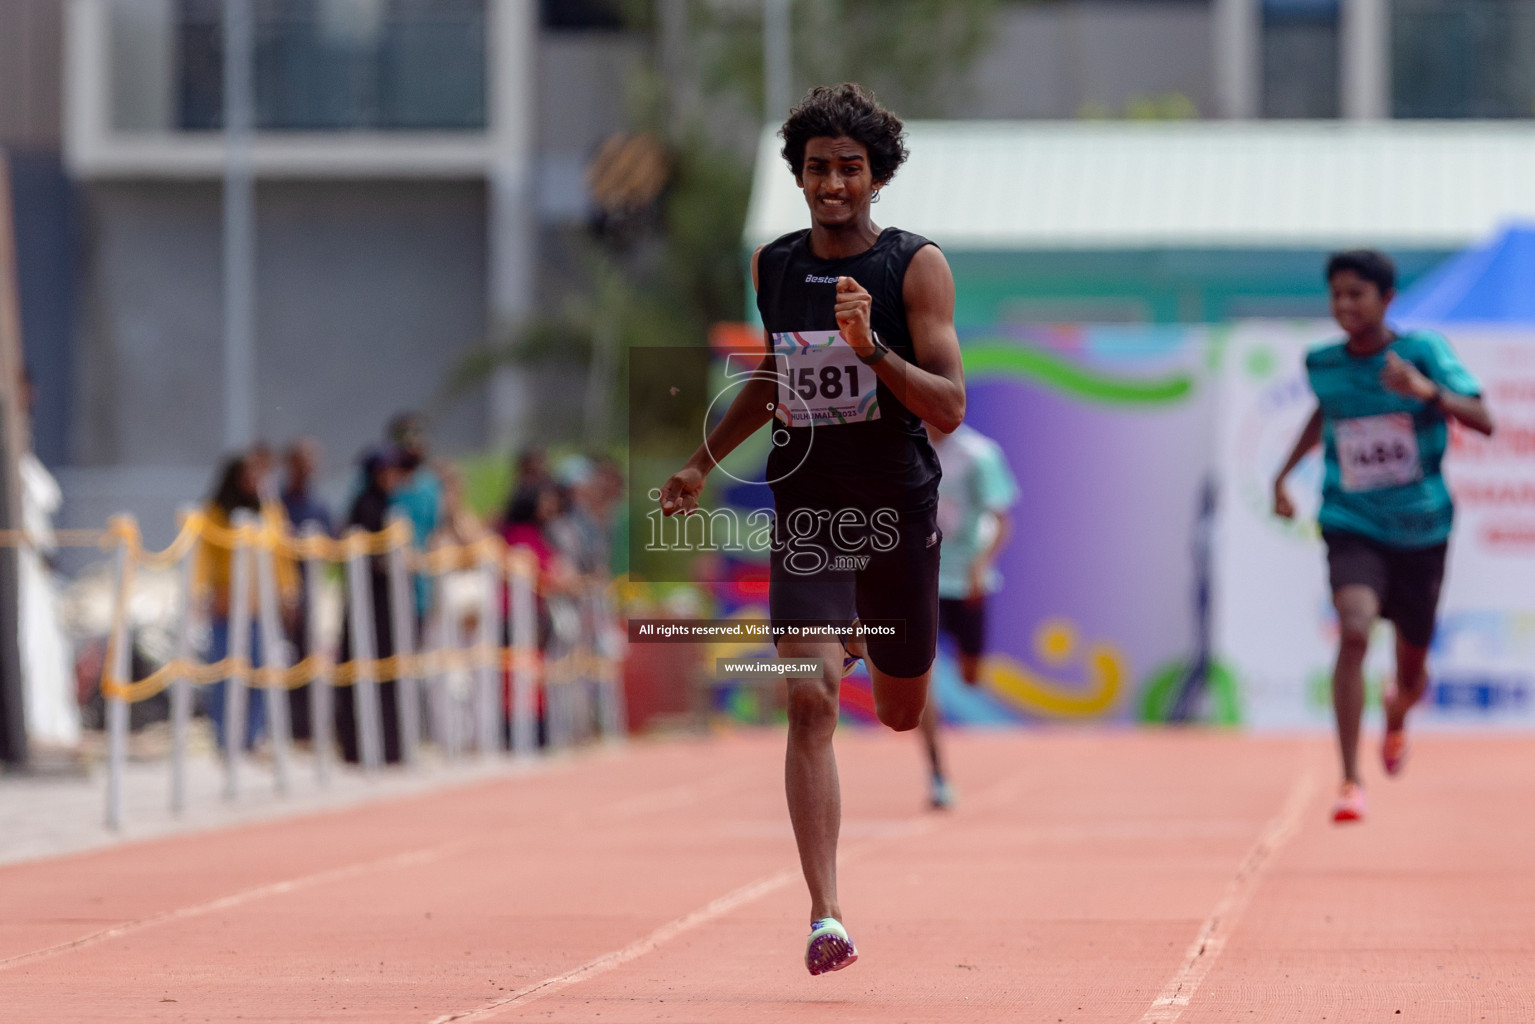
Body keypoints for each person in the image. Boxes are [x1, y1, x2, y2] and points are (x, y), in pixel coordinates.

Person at [658, 83, 964, 975]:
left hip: (897, 513)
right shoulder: (776, 266)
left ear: (876, 177)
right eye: (818, 168)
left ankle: (874, 646)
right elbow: (770, 376)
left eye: (850, 169)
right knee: (810, 696)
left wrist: (873, 350)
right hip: (809, 515)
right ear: (797, 175)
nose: (833, 183)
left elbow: (948, 406)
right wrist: (698, 463)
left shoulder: (916, 268)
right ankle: (825, 914)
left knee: (902, 713)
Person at [1272, 250, 1494, 824]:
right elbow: (1328, 411)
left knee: (1411, 672)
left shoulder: (1422, 352)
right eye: (1336, 295)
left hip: (1423, 529)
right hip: (1352, 522)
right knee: (1352, 631)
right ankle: (1349, 781)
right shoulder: (1323, 363)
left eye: (1357, 295)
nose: (1345, 306)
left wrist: (1426, 392)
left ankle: (1397, 713)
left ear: (1386, 299)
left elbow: (1483, 419)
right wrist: (1282, 473)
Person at [919, 420, 1018, 809]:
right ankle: (938, 774)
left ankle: (961, 670)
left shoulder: (980, 455)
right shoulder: (909, 448)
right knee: (925, 678)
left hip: (969, 581)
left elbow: (1003, 519)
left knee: (969, 675)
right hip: (925, 581)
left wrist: (982, 563)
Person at [194, 456, 297, 751]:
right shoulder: (214, 513)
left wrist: (288, 591)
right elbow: (203, 558)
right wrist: (203, 594)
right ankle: (225, 737)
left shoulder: (269, 511)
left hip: (261, 609)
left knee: (263, 671)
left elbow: (281, 556)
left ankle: (253, 735)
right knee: (225, 674)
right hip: (226, 608)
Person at [336, 447, 410, 764]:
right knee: (365, 665)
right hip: (370, 601)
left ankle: (389, 745)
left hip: (385, 603)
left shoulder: (389, 506)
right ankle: (362, 746)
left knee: (387, 668)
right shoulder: (366, 507)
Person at [280, 438, 334, 741]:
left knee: (310, 656)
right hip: (282, 592)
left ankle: (308, 727)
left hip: (312, 592)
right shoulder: (278, 505)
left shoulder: (319, 506)